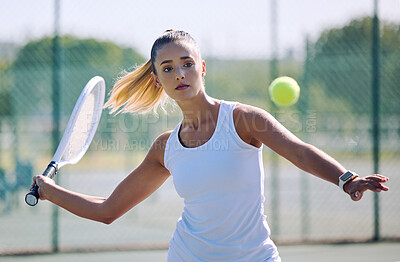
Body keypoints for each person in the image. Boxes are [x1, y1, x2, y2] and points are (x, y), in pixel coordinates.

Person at [31, 30, 389, 262]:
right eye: (168, 68)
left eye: (187, 64)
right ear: (157, 80)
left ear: (202, 68)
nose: (180, 74)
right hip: (188, 256)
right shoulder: (164, 148)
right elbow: (108, 210)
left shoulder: (244, 120)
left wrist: (346, 179)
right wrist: (50, 192)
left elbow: (298, 150)